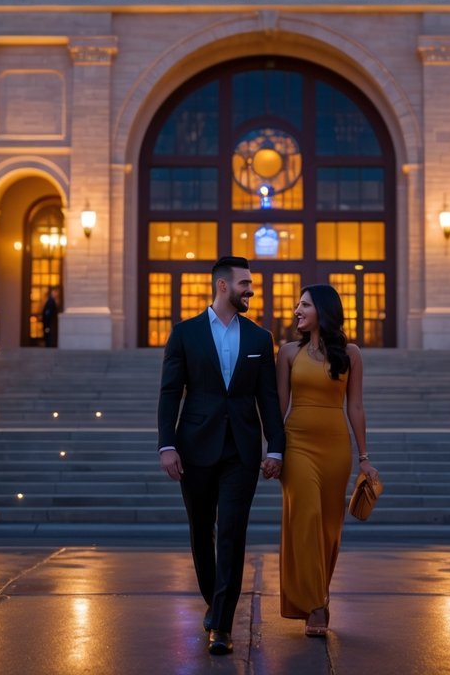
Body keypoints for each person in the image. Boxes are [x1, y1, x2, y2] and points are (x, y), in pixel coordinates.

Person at [156, 256, 286, 656]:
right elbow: (169, 392)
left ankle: (223, 624)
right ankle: (215, 601)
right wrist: (167, 444)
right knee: (201, 531)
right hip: (194, 447)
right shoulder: (184, 334)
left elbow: (268, 397)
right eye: (245, 283)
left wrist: (275, 447)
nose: (251, 290)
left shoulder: (260, 338)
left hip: (241, 452)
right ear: (223, 286)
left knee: (231, 532)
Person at [276, 284, 379, 638]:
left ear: (323, 309)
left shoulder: (350, 353)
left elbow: (356, 406)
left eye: (304, 304)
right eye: (297, 304)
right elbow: (278, 406)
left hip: (336, 448)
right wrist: (272, 450)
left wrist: (364, 457)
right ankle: (315, 606)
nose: (296, 310)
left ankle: (318, 592)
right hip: (297, 445)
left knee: (329, 529)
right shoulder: (288, 352)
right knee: (306, 518)